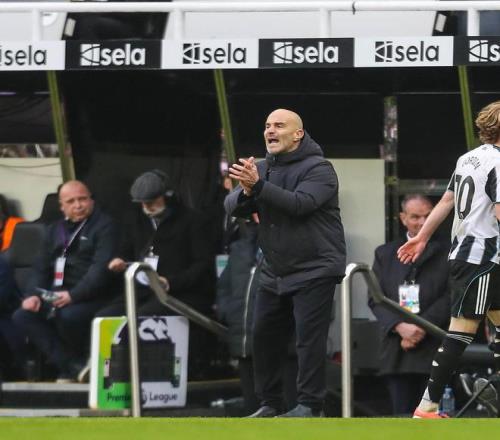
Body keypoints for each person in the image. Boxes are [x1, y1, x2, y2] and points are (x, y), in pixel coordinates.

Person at [225, 108, 346, 417]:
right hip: (275, 268)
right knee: (262, 336)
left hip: (315, 266)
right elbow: (231, 205)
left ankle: (310, 405)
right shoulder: (260, 168)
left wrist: (258, 186)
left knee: (308, 340)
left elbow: (299, 204)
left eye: (279, 125)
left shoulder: (320, 168)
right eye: (267, 125)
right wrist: (247, 191)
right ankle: (269, 403)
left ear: (297, 134)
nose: (270, 131)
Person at [398, 100, 500, 418]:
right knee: (460, 332)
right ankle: (426, 406)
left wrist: (422, 237)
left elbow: (446, 200)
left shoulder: (468, 158)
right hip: (483, 258)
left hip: (474, 256)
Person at [98, 169, 215, 379]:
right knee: (105, 315)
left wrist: (171, 282)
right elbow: (126, 248)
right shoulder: (136, 220)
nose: (147, 207)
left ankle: (129, 374)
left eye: (152, 201)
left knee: (142, 317)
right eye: (142, 203)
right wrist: (119, 260)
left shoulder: (193, 221)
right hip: (143, 290)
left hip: (181, 293)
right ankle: (104, 372)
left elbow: (202, 264)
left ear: (167, 196)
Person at [12, 180, 118, 382]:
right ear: (62, 206)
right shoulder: (54, 230)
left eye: (82, 199)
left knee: (68, 315)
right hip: (58, 294)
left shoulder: (105, 226)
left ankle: (74, 367)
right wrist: (32, 295)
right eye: (71, 201)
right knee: (22, 315)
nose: (78, 205)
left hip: (92, 295)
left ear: (91, 200)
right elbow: (40, 268)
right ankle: (73, 366)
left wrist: (73, 295)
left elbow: (99, 272)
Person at [369, 194, 450, 415]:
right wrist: (400, 327)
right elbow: (375, 297)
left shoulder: (451, 251)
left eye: (428, 216)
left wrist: (421, 328)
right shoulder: (385, 253)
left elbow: (453, 296)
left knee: (435, 416)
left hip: (435, 344)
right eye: (415, 217)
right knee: (401, 416)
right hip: (396, 348)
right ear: (403, 218)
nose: (422, 222)